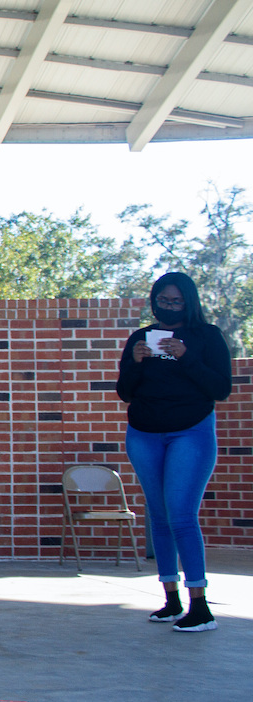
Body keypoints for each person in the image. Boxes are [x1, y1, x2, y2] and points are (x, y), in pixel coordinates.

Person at [117, 271, 231, 632]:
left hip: (190, 431)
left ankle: (201, 607)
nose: (168, 307)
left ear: (189, 302)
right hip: (144, 433)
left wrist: (185, 357)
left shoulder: (207, 337)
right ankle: (170, 599)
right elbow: (125, 391)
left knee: (181, 515)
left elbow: (221, 388)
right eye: (162, 301)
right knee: (160, 516)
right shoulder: (141, 338)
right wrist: (135, 362)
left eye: (175, 302)